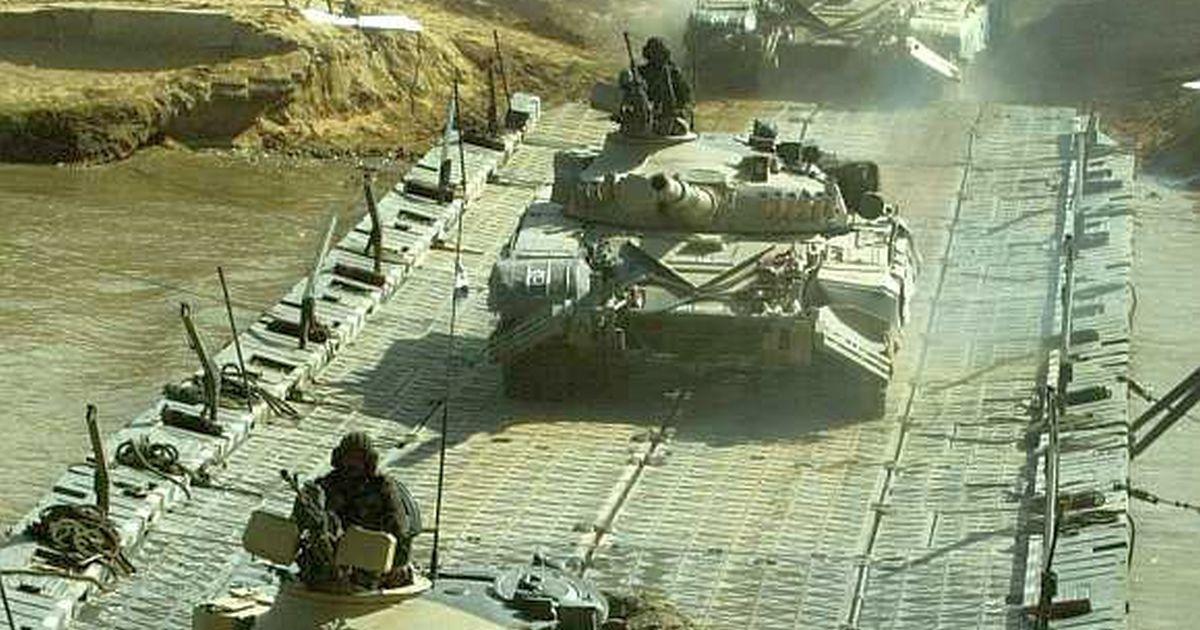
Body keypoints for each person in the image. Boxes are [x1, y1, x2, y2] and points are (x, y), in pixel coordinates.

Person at [311, 432, 419, 587]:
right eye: (349, 457)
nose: (353, 463)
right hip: (334, 555)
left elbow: (399, 527)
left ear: (368, 460)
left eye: (358, 458)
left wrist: (398, 563)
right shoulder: (327, 485)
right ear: (340, 458)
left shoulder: (382, 486)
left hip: (372, 554)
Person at [637, 37, 693, 134]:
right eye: (653, 53)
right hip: (645, 119)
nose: (656, 56)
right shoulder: (641, 72)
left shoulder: (673, 73)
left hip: (671, 119)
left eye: (658, 53)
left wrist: (680, 110)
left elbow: (685, 98)